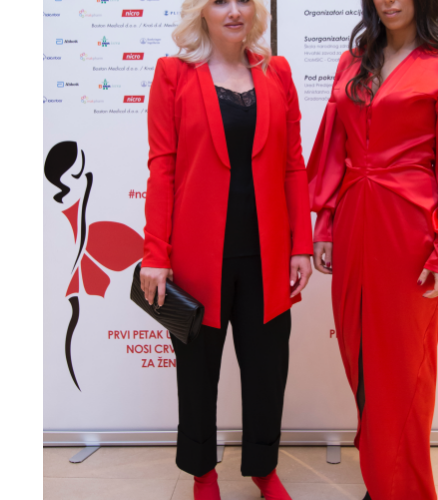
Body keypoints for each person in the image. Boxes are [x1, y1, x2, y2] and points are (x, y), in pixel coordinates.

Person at [306, 0, 438, 498]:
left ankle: (401, 487)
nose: (389, 1)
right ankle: (380, 472)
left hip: (411, 229)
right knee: (360, 357)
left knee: (405, 366)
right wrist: (324, 224)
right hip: (353, 220)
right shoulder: (352, 61)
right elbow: (333, 145)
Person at [140, 0, 313, 498]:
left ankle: (264, 469)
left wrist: (300, 245)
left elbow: (293, 165)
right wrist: (156, 253)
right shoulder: (173, 75)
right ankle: (203, 473)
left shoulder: (278, 72)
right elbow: (162, 168)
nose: (234, 10)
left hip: (267, 255)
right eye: (220, 1)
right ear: (202, 12)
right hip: (197, 258)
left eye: (243, 0)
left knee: (267, 373)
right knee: (197, 376)